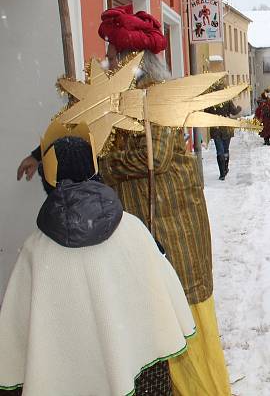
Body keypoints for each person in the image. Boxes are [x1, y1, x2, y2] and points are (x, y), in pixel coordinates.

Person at [13, 4, 232, 395]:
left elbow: (154, 157)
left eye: (113, 55)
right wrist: (40, 152)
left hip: (173, 224)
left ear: (136, 61)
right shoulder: (117, 98)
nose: (107, 62)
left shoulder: (160, 99)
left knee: (183, 321)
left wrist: (99, 165)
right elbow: (80, 127)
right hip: (139, 225)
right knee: (152, 321)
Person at [1, 132, 195, 396]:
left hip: (69, 383)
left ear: (48, 180)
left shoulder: (35, 250)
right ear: (95, 171)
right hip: (142, 378)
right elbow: (163, 300)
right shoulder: (133, 229)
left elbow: (17, 330)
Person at [206, 84, 242, 180]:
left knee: (219, 151)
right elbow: (234, 112)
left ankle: (222, 173)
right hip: (226, 128)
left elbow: (206, 113)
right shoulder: (227, 100)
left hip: (216, 128)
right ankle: (225, 168)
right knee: (225, 150)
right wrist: (239, 108)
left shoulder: (212, 102)